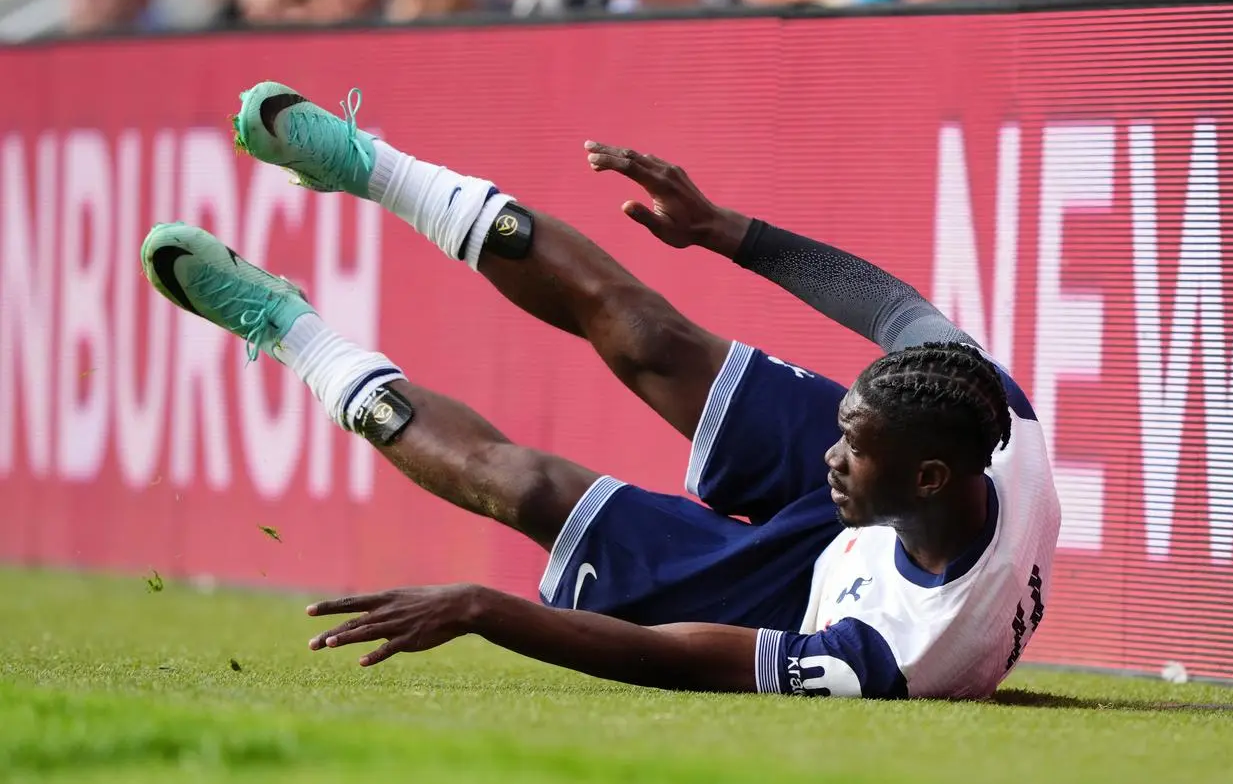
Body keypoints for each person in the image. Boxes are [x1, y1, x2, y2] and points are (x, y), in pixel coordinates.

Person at [141, 81, 1061, 699]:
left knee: (527, 489)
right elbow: (889, 303)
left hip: (808, 597)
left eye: (850, 446)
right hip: (890, 508)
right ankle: (371, 164)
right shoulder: (986, 411)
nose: (829, 448)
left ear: (930, 477)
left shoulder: (894, 650)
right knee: (654, 337)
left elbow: (670, 658)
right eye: (843, 427)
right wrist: (725, 230)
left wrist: (481, 607)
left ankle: (293, 334)